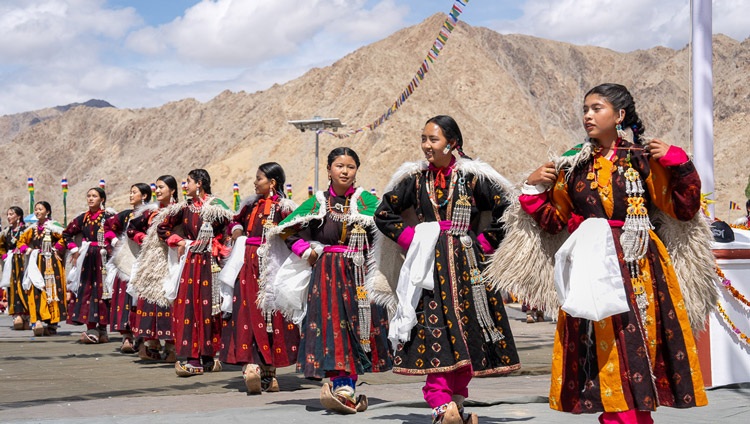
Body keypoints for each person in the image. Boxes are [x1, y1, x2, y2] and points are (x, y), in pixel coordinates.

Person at [509, 83, 711, 423]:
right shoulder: (572, 165)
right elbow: (554, 222)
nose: (588, 115)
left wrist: (681, 164)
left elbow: (684, 208)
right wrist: (533, 188)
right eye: (585, 109)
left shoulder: (642, 159)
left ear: (619, 116)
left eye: (597, 108)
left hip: (638, 266)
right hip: (590, 267)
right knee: (602, 355)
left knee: (636, 348)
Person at [375, 115, 521, 424]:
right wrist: (413, 238)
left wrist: (483, 242)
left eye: (433, 139)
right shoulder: (414, 179)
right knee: (434, 330)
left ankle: (456, 401)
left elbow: (506, 209)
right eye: (424, 139)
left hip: (468, 263)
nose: (426, 145)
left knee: (467, 331)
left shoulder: (473, 177)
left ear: (452, 143)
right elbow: (384, 213)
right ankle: (440, 402)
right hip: (429, 266)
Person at [264, 147, 393, 414]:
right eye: (339, 166)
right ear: (328, 170)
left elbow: (389, 228)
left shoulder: (368, 201)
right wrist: (306, 251)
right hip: (327, 273)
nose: (345, 171)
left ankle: (347, 384)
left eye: (350, 167)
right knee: (332, 326)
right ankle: (341, 384)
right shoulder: (317, 202)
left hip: (360, 274)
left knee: (359, 327)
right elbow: (286, 229)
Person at [219, 162, 300, 394]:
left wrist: (280, 233)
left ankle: (269, 371)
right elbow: (235, 221)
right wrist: (236, 231)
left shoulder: (284, 207)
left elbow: (297, 228)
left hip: (271, 265)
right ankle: (252, 364)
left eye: (259, 178)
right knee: (246, 311)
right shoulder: (250, 205)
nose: (255, 183)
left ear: (272, 183)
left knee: (271, 315)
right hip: (248, 265)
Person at [156, 169, 233, 376]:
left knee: (210, 308)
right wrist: (179, 241)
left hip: (211, 264)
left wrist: (221, 246)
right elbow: (162, 229)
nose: (185, 186)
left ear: (199, 183)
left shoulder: (217, 206)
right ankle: (193, 358)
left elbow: (230, 229)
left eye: (188, 181)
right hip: (191, 262)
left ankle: (208, 357)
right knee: (189, 307)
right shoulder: (184, 208)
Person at [127, 175, 179, 362]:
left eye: (161, 187)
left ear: (172, 190)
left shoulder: (179, 211)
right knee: (150, 300)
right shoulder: (151, 212)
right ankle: (152, 345)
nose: (157, 191)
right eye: (156, 187)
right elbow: (132, 229)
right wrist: (144, 239)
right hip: (151, 262)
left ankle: (172, 346)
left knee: (168, 300)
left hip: (171, 261)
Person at [64, 188, 115, 344]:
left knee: (104, 290)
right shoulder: (83, 218)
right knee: (87, 290)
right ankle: (91, 327)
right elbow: (66, 233)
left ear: (102, 200)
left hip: (104, 257)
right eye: (89, 196)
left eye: (95, 196)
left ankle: (102, 329)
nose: (91, 199)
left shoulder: (109, 217)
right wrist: (73, 249)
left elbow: (117, 232)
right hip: (86, 259)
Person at [104, 183, 151, 353]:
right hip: (126, 260)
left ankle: (142, 336)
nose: (131, 196)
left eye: (134, 193)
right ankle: (126, 337)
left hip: (144, 259)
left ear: (144, 196)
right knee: (124, 297)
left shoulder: (150, 214)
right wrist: (115, 241)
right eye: (130, 192)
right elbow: (108, 227)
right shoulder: (124, 215)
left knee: (141, 298)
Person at [17, 202, 66, 336]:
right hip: (36, 262)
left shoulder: (54, 227)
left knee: (52, 291)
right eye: (36, 210)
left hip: (52, 263)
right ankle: (37, 320)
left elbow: (64, 238)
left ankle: (52, 324)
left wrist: (57, 249)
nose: (37, 212)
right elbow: (21, 241)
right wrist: (26, 249)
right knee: (35, 290)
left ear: (48, 212)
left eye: (40, 209)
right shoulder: (32, 229)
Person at [0, 206, 29, 330]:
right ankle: (16, 315)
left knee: (25, 287)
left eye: (11, 214)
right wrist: (4, 255)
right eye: (8, 214)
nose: (9, 217)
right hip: (11, 264)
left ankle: (27, 317)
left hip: (24, 262)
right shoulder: (6, 232)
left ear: (18, 216)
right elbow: (1, 246)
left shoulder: (27, 230)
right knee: (12, 288)